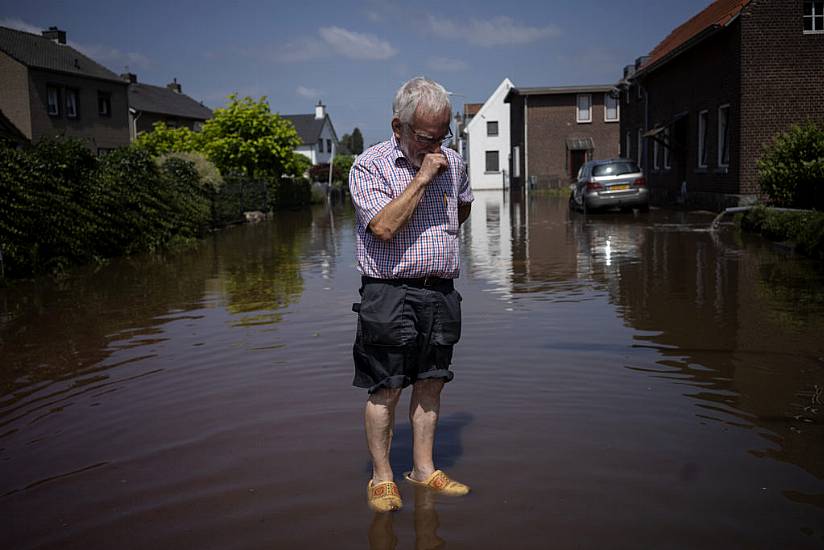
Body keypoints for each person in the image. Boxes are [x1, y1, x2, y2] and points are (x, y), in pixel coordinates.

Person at [349, 77, 473, 513]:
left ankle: (424, 469)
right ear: (397, 126)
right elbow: (383, 228)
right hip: (389, 291)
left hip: (440, 291)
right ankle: (381, 478)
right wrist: (421, 178)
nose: (437, 148)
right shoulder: (369, 166)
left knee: (431, 384)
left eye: (443, 136)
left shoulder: (454, 162)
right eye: (426, 138)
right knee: (386, 388)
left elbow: (463, 204)